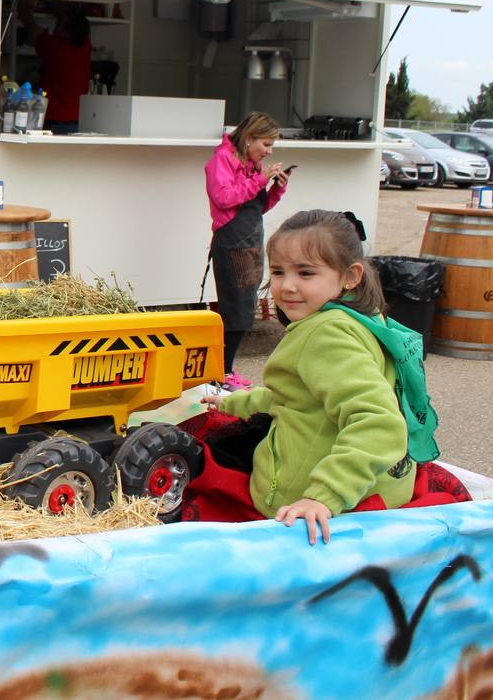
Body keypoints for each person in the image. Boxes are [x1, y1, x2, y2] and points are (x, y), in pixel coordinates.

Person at [186, 210, 466, 544]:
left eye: (305, 273)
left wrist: (323, 495)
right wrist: (236, 402)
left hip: (321, 501)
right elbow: (295, 396)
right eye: (278, 272)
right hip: (383, 485)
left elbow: (379, 423)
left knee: (196, 477)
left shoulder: (326, 336)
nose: (287, 286)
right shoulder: (361, 318)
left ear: (350, 276)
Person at [204, 112, 289, 390]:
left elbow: (256, 207)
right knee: (236, 308)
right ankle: (223, 373)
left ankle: (225, 370)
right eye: (266, 144)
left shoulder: (251, 165)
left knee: (245, 305)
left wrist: (276, 189)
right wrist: (259, 180)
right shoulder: (222, 160)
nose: (269, 151)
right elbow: (224, 197)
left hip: (251, 239)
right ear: (250, 137)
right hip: (233, 243)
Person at [17, 2, 91, 134]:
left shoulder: (55, 48)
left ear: (68, 32)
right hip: (76, 120)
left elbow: (31, 27)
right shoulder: (85, 48)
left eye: (59, 25)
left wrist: (22, 7)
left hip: (55, 121)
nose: (55, 28)